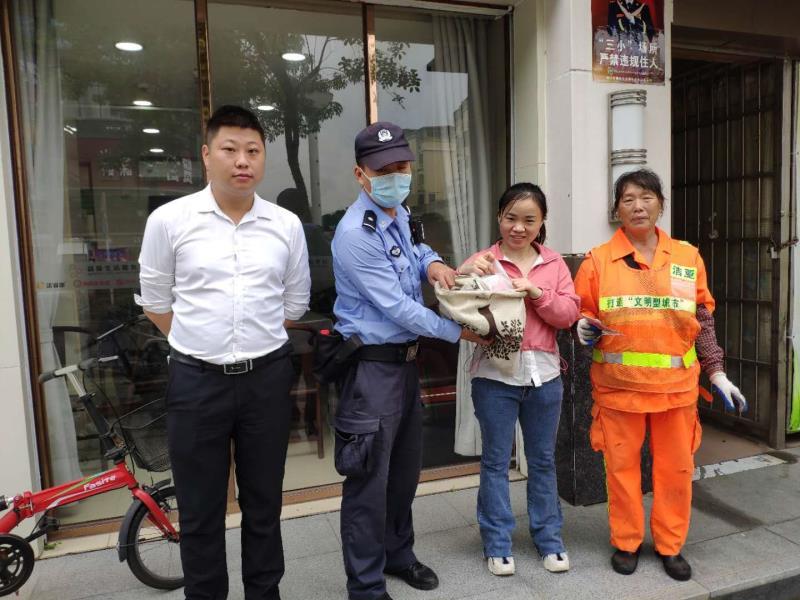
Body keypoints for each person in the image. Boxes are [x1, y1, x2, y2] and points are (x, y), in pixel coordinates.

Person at [136, 105, 311, 600]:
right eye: (230, 149)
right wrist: (201, 342)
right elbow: (155, 302)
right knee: (200, 510)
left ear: (263, 158)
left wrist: (251, 339)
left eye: (253, 150)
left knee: (264, 504)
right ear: (206, 155)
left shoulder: (285, 225)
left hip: (266, 381)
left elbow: (294, 302)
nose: (242, 161)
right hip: (197, 383)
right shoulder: (169, 221)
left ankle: (264, 593)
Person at [332, 121, 488, 600]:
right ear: (361, 174)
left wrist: (435, 263)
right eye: (384, 170)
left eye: (402, 166)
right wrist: (457, 332)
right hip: (372, 370)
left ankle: (398, 555)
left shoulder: (397, 212)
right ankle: (365, 585)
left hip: (404, 366)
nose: (396, 176)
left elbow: (415, 252)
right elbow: (397, 308)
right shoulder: (355, 234)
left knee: (402, 475)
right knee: (368, 481)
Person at [573, 168, 747, 581]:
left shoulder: (687, 257)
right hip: (618, 390)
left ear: (661, 205)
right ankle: (627, 542)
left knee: (676, 472)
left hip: (676, 391)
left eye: (647, 197)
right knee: (621, 471)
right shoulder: (597, 261)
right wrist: (580, 327)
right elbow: (581, 314)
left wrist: (716, 372)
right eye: (628, 199)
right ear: (617, 210)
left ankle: (670, 546)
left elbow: (701, 320)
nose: (638, 206)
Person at [458, 183, 580, 577]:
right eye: (511, 218)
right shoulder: (483, 261)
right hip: (494, 376)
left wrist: (536, 293)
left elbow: (568, 315)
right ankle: (497, 543)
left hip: (545, 376)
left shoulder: (554, 264)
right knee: (495, 462)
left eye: (529, 219)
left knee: (542, 461)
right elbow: (456, 313)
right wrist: (464, 276)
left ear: (542, 222)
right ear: (499, 218)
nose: (519, 227)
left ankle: (549, 539)